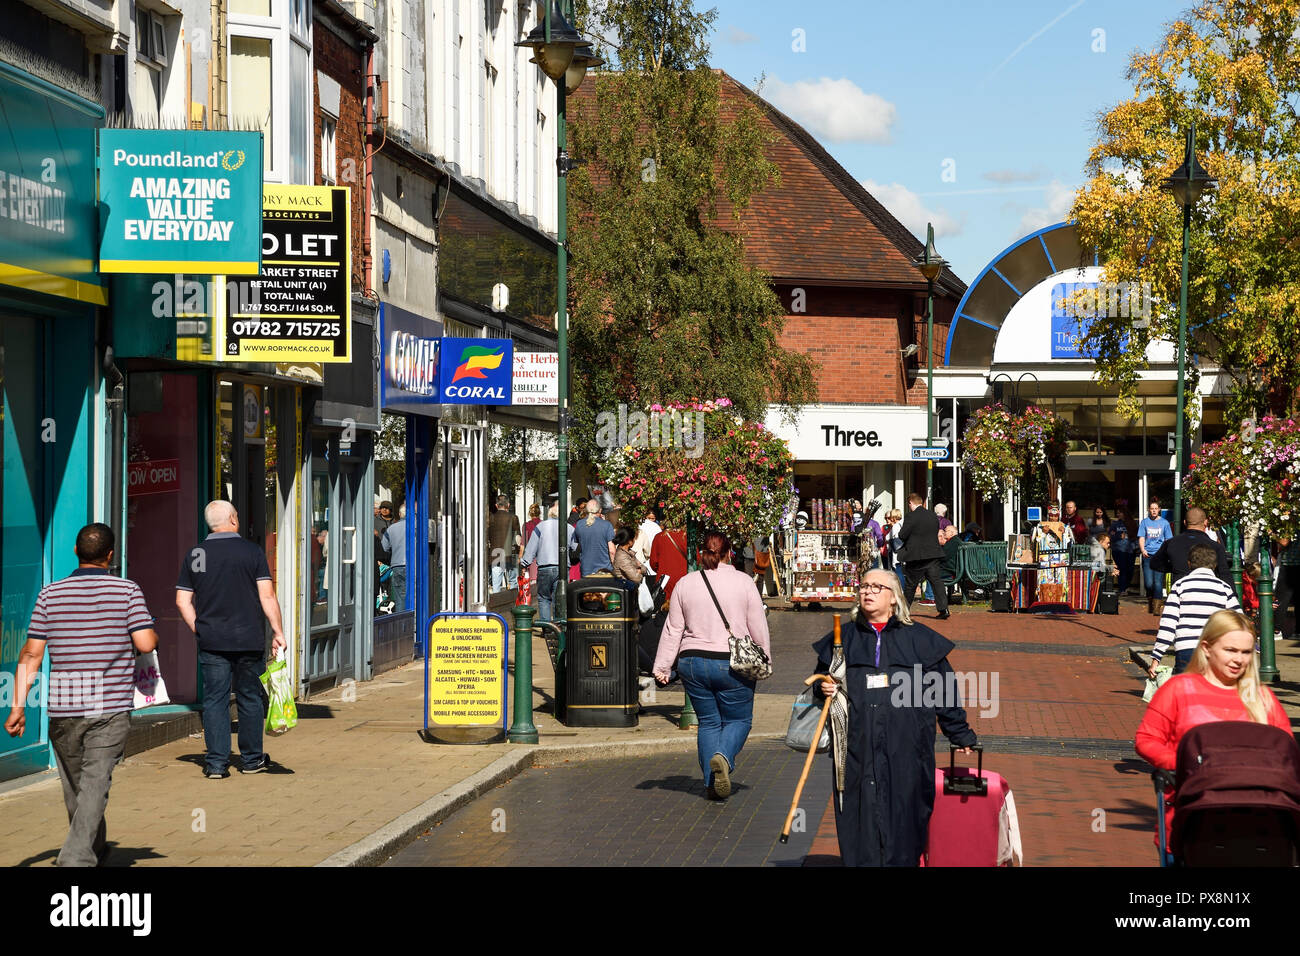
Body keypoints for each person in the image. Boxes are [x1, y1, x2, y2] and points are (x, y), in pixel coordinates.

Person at [5, 524, 159, 866]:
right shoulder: (128, 591)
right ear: (110, 555)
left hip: (64, 706)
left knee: (79, 784)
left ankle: (90, 847)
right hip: (110, 706)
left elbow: (31, 655)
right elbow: (145, 643)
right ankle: (76, 857)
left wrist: (17, 706)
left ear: (76, 552)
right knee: (92, 784)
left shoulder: (50, 594)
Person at [812, 569, 977, 866]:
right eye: (864, 586)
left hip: (907, 747)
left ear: (894, 598)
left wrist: (959, 731)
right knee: (858, 816)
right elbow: (821, 682)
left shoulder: (919, 639)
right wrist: (823, 687)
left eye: (877, 587)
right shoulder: (843, 638)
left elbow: (943, 689)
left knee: (905, 814)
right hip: (855, 747)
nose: (868, 591)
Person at [1136, 609, 1290, 850]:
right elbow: (1147, 739)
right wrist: (1185, 763)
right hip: (1194, 814)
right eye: (1230, 650)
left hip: (1257, 819)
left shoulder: (1263, 698)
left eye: (1246, 652)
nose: (1239, 659)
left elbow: (1285, 751)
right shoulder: (1179, 689)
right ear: (1206, 648)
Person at [653, 531, 769, 800]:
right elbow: (757, 625)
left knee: (708, 723)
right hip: (730, 662)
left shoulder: (685, 583)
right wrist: (765, 657)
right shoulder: (743, 582)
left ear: (700, 554)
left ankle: (710, 782)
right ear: (729, 553)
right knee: (739, 719)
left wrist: (662, 667)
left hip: (691, 662)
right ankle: (723, 757)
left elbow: (673, 629)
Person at [176, 501, 287, 778]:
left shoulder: (196, 554)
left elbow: (182, 601)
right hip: (248, 638)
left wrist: (198, 628)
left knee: (215, 700)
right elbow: (267, 596)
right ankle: (251, 760)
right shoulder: (251, 552)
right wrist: (278, 632)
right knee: (250, 697)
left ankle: (216, 764)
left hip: (212, 640)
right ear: (234, 519)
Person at [1150, 544, 1242, 676]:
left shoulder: (1180, 586)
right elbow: (1238, 621)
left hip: (1186, 649)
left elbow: (1168, 624)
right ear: (1214, 565)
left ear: (1189, 564)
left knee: (1187, 693)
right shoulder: (1224, 588)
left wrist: (1156, 658)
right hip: (1215, 651)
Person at [1149, 506, 1231, 587]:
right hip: (1207, 591)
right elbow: (1224, 574)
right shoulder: (1215, 547)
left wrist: (1175, 568)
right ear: (1206, 522)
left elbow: (1155, 564)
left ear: (1185, 522)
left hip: (1180, 591)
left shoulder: (1171, 543)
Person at [898, 493, 949, 620]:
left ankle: (904, 611)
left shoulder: (911, 516)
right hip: (933, 554)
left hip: (916, 556)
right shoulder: (932, 515)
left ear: (910, 503)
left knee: (910, 585)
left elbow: (903, 535)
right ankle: (944, 609)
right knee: (937, 582)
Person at [521, 503, 561, 623]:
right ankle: (558, 628)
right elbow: (575, 547)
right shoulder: (567, 527)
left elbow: (529, 546)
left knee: (544, 598)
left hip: (543, 565)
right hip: (561, 567)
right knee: (558, 598)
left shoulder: (540, 526)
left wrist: (524, 563)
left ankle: (547, 629)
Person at [1031, 504, 1073, 603]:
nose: (1053, 518)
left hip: (1060, 559)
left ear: (1058, 516)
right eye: (1051, 516)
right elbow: (1035, 541)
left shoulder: (1065, 527)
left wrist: (1064, 534)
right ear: (1048, 515)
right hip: (1045, 559)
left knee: (1059, 581)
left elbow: (1070, 543)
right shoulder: (1040, 527)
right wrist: (1043, 533)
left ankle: (1060, 602)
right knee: (1045, 580)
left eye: (1056, 516)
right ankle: (1044, 601)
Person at [1138, 499, 1173, 613]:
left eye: (1155, 509)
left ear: (1159, 510)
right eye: (1151, 509)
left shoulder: (1164, 523)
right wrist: (1143, 549)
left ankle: (1157, 607)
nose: (1153, 511)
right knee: (1148, 583)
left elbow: (1168, 539)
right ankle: (1150, 600)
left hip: (1160, 556)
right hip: (1147, 555)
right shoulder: (1144, 522)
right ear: (1149, 510)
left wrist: (1165, 552)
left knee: (1158, 582)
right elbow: (1142, 537)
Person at [569, 499, 616, 576]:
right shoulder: (607, 525)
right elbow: (612, 551)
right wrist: (614, 567)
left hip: (586, 570)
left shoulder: (579, 524)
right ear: (600, 510)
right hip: (604, 570)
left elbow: (577, 546)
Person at [487, 495, 521, 592]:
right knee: (513, 581)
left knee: (496, 584)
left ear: (496, 505)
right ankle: (513, 604)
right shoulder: (513, 517)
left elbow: (487, 536)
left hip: (495, 554)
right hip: (510, 553)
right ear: (508, 505)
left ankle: (497, 606)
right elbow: (518, 538)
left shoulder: (491, 518)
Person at [649, 525, 689, 601]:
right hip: (684, 579)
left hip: (665, 580)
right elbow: (696, 559)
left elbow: (653, 562)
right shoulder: (686, 536)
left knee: (665, 608)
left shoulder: (659, 537)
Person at [1272, 537, 1300, 640]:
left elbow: (1284, 542)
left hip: (1290, 563)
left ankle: (1276, 630)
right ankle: (1298, 632)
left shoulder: (1291, 523)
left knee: (1281, 599)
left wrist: (1272, 533)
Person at [381, 504, 408, 610]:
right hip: (415, 565)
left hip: (397, 565)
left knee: (400, 598)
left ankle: (402, 625)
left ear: (400, 514)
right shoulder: (419, 526)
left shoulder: (391, 529)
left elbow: (384, 548)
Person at [1108, 507, 1138, 594]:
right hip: (1118, 550)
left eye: (1119, 513)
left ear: (1125, 513)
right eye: (1117, 513)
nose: (1118, 514)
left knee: (1130, 570)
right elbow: (1110, 536)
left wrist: (1136, 547)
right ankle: (1122, 589)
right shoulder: (1115, 524)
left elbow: (1136, 537)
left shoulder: (1133, 523)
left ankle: (1126, 586)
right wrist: (1118, 536)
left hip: (1130, 550)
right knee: (1122, 569)